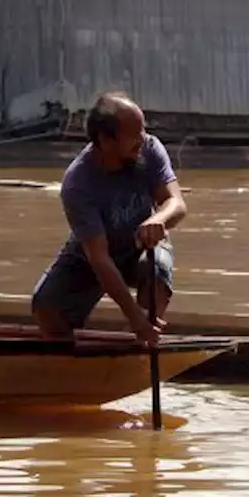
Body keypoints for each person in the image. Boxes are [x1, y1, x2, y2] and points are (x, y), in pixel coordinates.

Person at [31, 92, 186, 346]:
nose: (143, 139)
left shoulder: (149, 148)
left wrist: (160, 219)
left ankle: (145, 347)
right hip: (93, 254)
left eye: (143, 130)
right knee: (46, 306)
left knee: (155, 270)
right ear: (105, 140)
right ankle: (69, 364)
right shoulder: (77, 184)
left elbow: (177, 203)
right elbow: (99, 258)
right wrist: (134, 318)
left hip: (141, 245)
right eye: (134, 134)